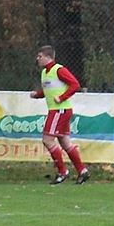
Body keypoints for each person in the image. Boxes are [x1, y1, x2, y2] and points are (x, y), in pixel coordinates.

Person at [29, 45, 89, 185]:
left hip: (60, 110)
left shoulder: (59, 70)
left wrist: (61, 98)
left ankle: (62, 172)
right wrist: (37, 94)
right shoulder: (45, 72)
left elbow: (75, 84)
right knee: (65, 142)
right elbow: (48, 91)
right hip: (58, 110)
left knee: (47, 139)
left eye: (40, 56)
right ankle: (82, 171)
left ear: (48, 57)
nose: (38, 59)